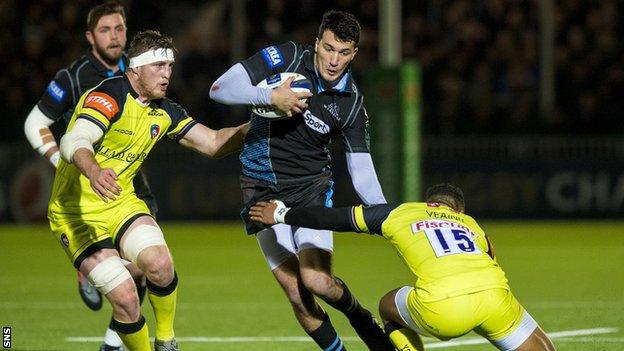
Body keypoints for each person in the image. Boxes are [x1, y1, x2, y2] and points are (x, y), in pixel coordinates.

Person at [48, 29, 248, 351]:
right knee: (127, 298)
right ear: (136, 68)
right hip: (76, 214)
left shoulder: (164, 110)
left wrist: (261, 122)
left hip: (121, 202)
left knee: (160, 264)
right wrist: (94, 169)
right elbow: (75, 140)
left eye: (170, 66)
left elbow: (213, 143)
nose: (167, 74)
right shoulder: (109, 95)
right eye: (159, 66)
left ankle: (166, 340)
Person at [210, 10, 393, 351]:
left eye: (343, 52)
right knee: (296, 291)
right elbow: (220, 88)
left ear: (354, 54)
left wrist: (386, 216)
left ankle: (359, 315)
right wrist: (271, 97)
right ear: (317, 43)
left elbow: (362, 168)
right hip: (260, 189)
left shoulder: (351, 102)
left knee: (317, 281)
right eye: (328, 48)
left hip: (311, 191)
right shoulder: (288, 57)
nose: (333, 60)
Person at [249, 183, 557, 351]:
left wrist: (283, 215)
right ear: (457, 210)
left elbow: (333, 219)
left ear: (429, 203)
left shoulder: (400, 213)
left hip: (441, 308)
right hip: (495, 298)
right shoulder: (472, 224)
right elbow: (489, 258)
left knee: (386, 305)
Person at [23, 3, 151, 350]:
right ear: (90, 37)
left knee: (147, 270)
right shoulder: (73, 77)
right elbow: (34, 124)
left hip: (133, 183)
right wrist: (60, 161)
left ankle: (111, 343)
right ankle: (89, 268)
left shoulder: (136, 69)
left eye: (120, 28)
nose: (115, 36)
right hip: (87, 190)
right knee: (125, 278)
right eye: (106, 30)